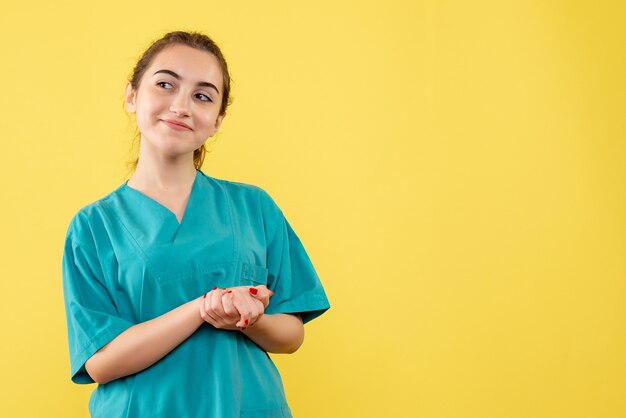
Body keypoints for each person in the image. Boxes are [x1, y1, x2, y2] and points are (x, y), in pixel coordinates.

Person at [61, 30, 330, 418]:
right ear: (132, 96)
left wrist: (245, 317)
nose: (181, 106)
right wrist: (204, 307)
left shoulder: (254, 206)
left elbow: (291, 335)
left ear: (217, 120)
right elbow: (100, 360)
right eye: (166, 84)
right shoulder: (93, 226)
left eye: (203, 95)